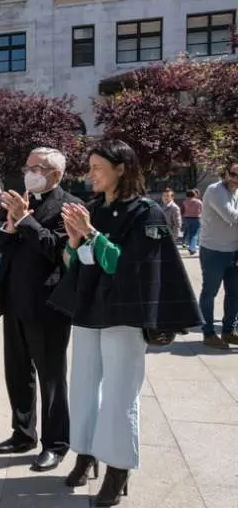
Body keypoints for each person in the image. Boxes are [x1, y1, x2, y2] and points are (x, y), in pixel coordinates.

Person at [53, 139, 201, 506]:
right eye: (90, 167)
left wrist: (89, 234)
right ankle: (86, 454)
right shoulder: (92, 208)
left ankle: (118, 469)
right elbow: (77, 263)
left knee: (120, 394)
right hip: (89, 311)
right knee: (83, 387)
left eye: (98, 167)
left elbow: (128, 267)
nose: (92, 174)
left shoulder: (145, 212)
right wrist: (73, 243)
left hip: (124, 315)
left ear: (121, 168)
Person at [0, 147, 82, 472]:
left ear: (55, 175)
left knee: (51, 377)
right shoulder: (20, 200)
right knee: (17, 373)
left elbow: (57, 250)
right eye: (28, 166)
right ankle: (22, 432)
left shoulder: (70, 206)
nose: (29, 172)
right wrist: (10, 223)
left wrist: (25, 220)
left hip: (48, 306)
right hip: (14, 302)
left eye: (37, 168)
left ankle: (56, 444)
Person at [198, 161, 238, 349]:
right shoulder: (215, 191)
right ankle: (208, 333)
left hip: (234, 250)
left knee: (234, 293)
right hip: (213, 250)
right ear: (227, 174)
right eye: (234, 174)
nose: (237, 179)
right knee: (210, 292)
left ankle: (229, 330)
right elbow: (231, 216)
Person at [180, 189, 203, 255]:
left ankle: (190, 246)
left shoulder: (185, 202)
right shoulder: (199, 201)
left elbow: (182, 211)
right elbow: (202, 209)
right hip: (196, 218)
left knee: (190, 233)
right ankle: (192, 248)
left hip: (187, 218)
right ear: (194, 194)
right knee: (195, 234)